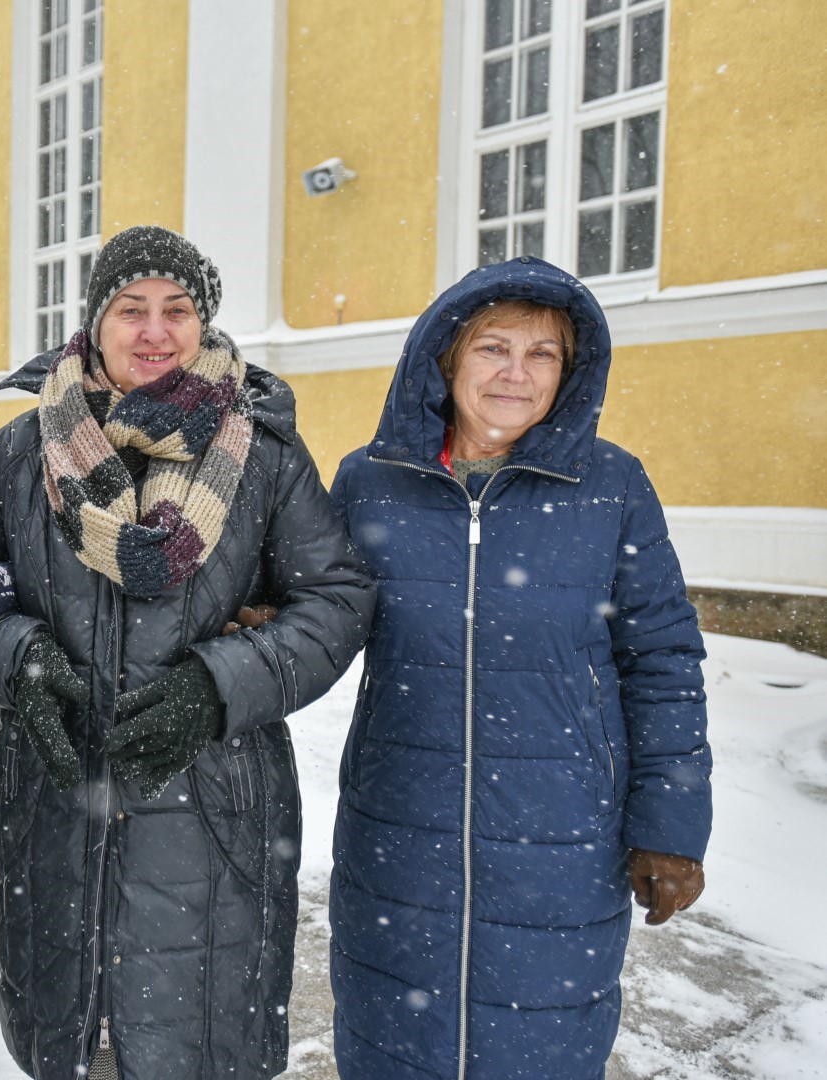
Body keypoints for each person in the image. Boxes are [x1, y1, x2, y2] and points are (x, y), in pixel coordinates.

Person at [0, 225, 375, 1079]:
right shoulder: (24, 450)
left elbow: (337, 599)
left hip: (214, 810)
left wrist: (220, 684)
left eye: (177, 309)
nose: (154, 330)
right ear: (94, 322)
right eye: (131, 308)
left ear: (205, 324)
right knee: (69, 1036)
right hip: (56, 800)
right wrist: (19, 657)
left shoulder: (262, 454)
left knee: (193, 1041)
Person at [327, 256, 712, 1079]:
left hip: (561, 842)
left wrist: (671, 828)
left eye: (542, 355)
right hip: (400, 834)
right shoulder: (370, 483)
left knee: (539, 1045)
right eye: (492, 348)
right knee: (393, 1042)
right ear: (445, 360)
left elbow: (663, 659)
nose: (516, 372)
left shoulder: (611, 486)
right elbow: (309, 618)